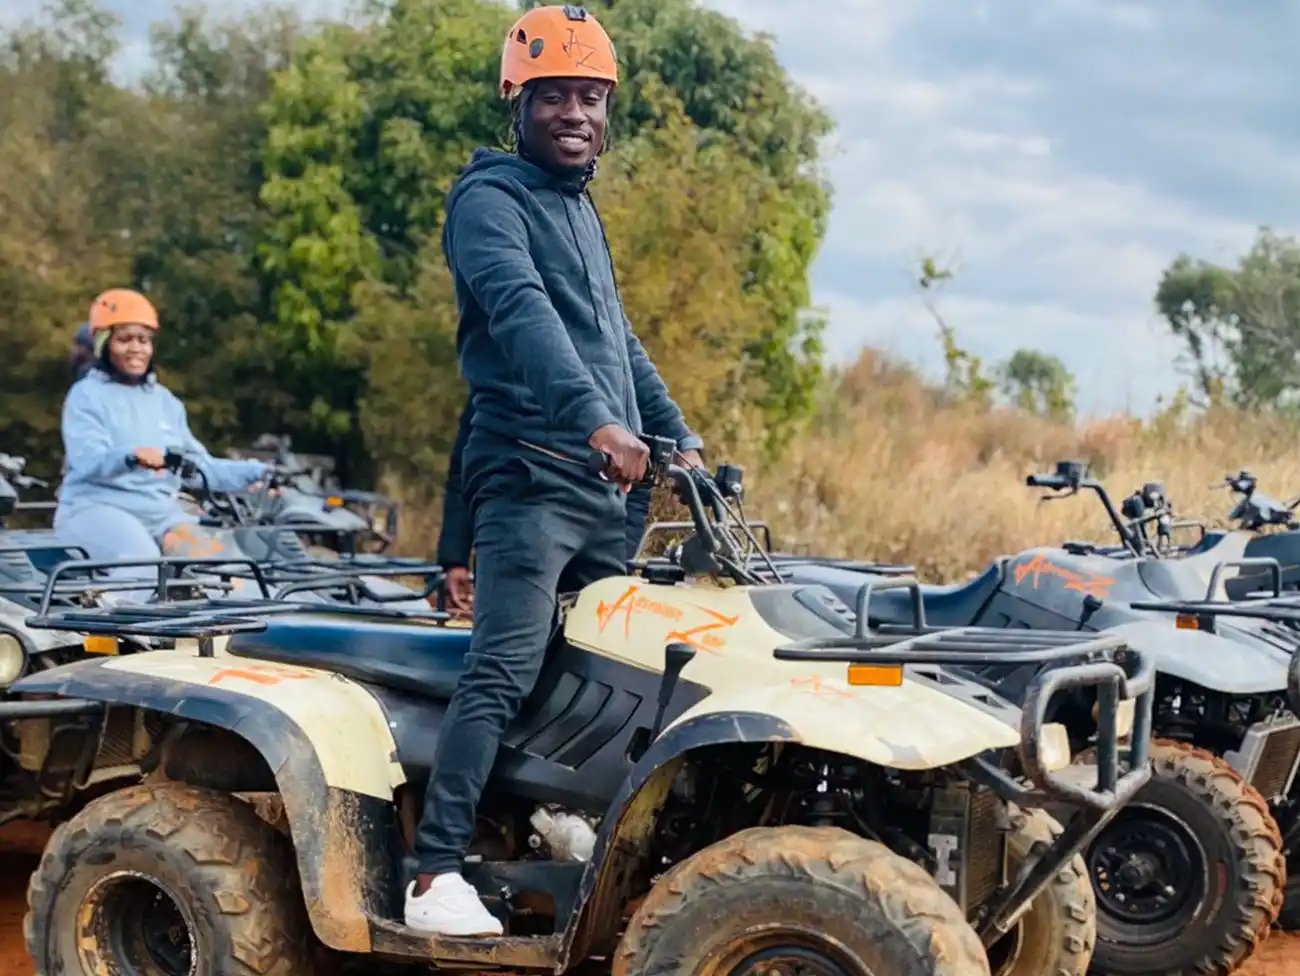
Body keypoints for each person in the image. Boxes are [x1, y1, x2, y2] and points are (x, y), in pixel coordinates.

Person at [405, 4, 702, 936]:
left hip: (602, 492)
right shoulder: (488, 201)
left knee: (600, 669)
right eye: (556, 97)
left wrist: (677, 437)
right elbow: (524, 317)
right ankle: (434, 872)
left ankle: (541, 824)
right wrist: (597, 423)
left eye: (592, 97)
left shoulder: (579, 207)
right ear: (518, 101)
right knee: (504, 665)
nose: (576, 113)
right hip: (532, 477)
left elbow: (621, 342)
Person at [54, 288, 269, 579]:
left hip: (160, 514)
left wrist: (256, 473)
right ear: (104, 344)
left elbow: (198, 467)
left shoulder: (165, 401)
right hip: (95, 508)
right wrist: (131, 456)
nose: (136, 349)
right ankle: (116, 622)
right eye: (124, 339)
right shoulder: (86, 396)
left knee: (228, 570)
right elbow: (87, 460)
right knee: (142, 566)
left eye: (143, 340)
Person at [437, 395, 655, 616]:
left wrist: (620, 563)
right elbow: (466, 472)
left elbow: (640, 483)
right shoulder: (502, 379)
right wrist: (455, 558)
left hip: (601, 549)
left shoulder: (626, 383)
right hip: (521, 533)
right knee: (511, 641)